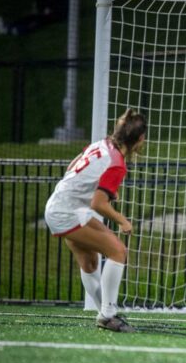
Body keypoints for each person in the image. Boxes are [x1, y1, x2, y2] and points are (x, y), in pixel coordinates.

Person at [44, 109, 147, 333]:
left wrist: (84, 188)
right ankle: (108, 315)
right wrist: (123, 221)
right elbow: (98, 204)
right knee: (118, 251)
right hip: (67, 212)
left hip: (59, 203)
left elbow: (74, 166)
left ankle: (105, 311)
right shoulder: (118, 164)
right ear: (139, 139)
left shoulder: (102, 144)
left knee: (90, 261)